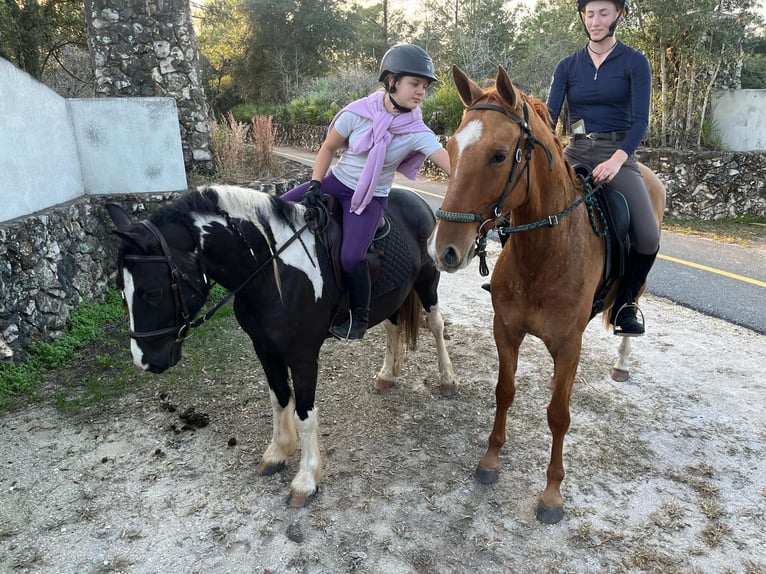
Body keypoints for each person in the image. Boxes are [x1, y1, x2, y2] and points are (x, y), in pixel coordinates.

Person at [281, 44, 451, 340]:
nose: (421, 91)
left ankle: (358, 317)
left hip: (370, 198)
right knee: (273, 210)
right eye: (414, 84)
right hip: (336, 182)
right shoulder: (357, 113)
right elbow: (329, 147)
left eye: (424, 86)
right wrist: (316, 184)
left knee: (350, 257)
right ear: (391, 82)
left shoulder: (418, 131)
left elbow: (452, 167)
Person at [546, 0, 659, 336]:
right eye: (590, 14)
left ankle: (625, 303)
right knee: (523, 202)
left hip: (617, 151)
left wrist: (617, 158)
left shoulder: (634, 62)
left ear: (618, 15)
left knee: (648, 236)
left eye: (603, 13)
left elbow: (640, 121)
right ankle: (514, 282)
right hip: (577, 148)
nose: (595, 21)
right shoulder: (568, 66)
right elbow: (551, 115)